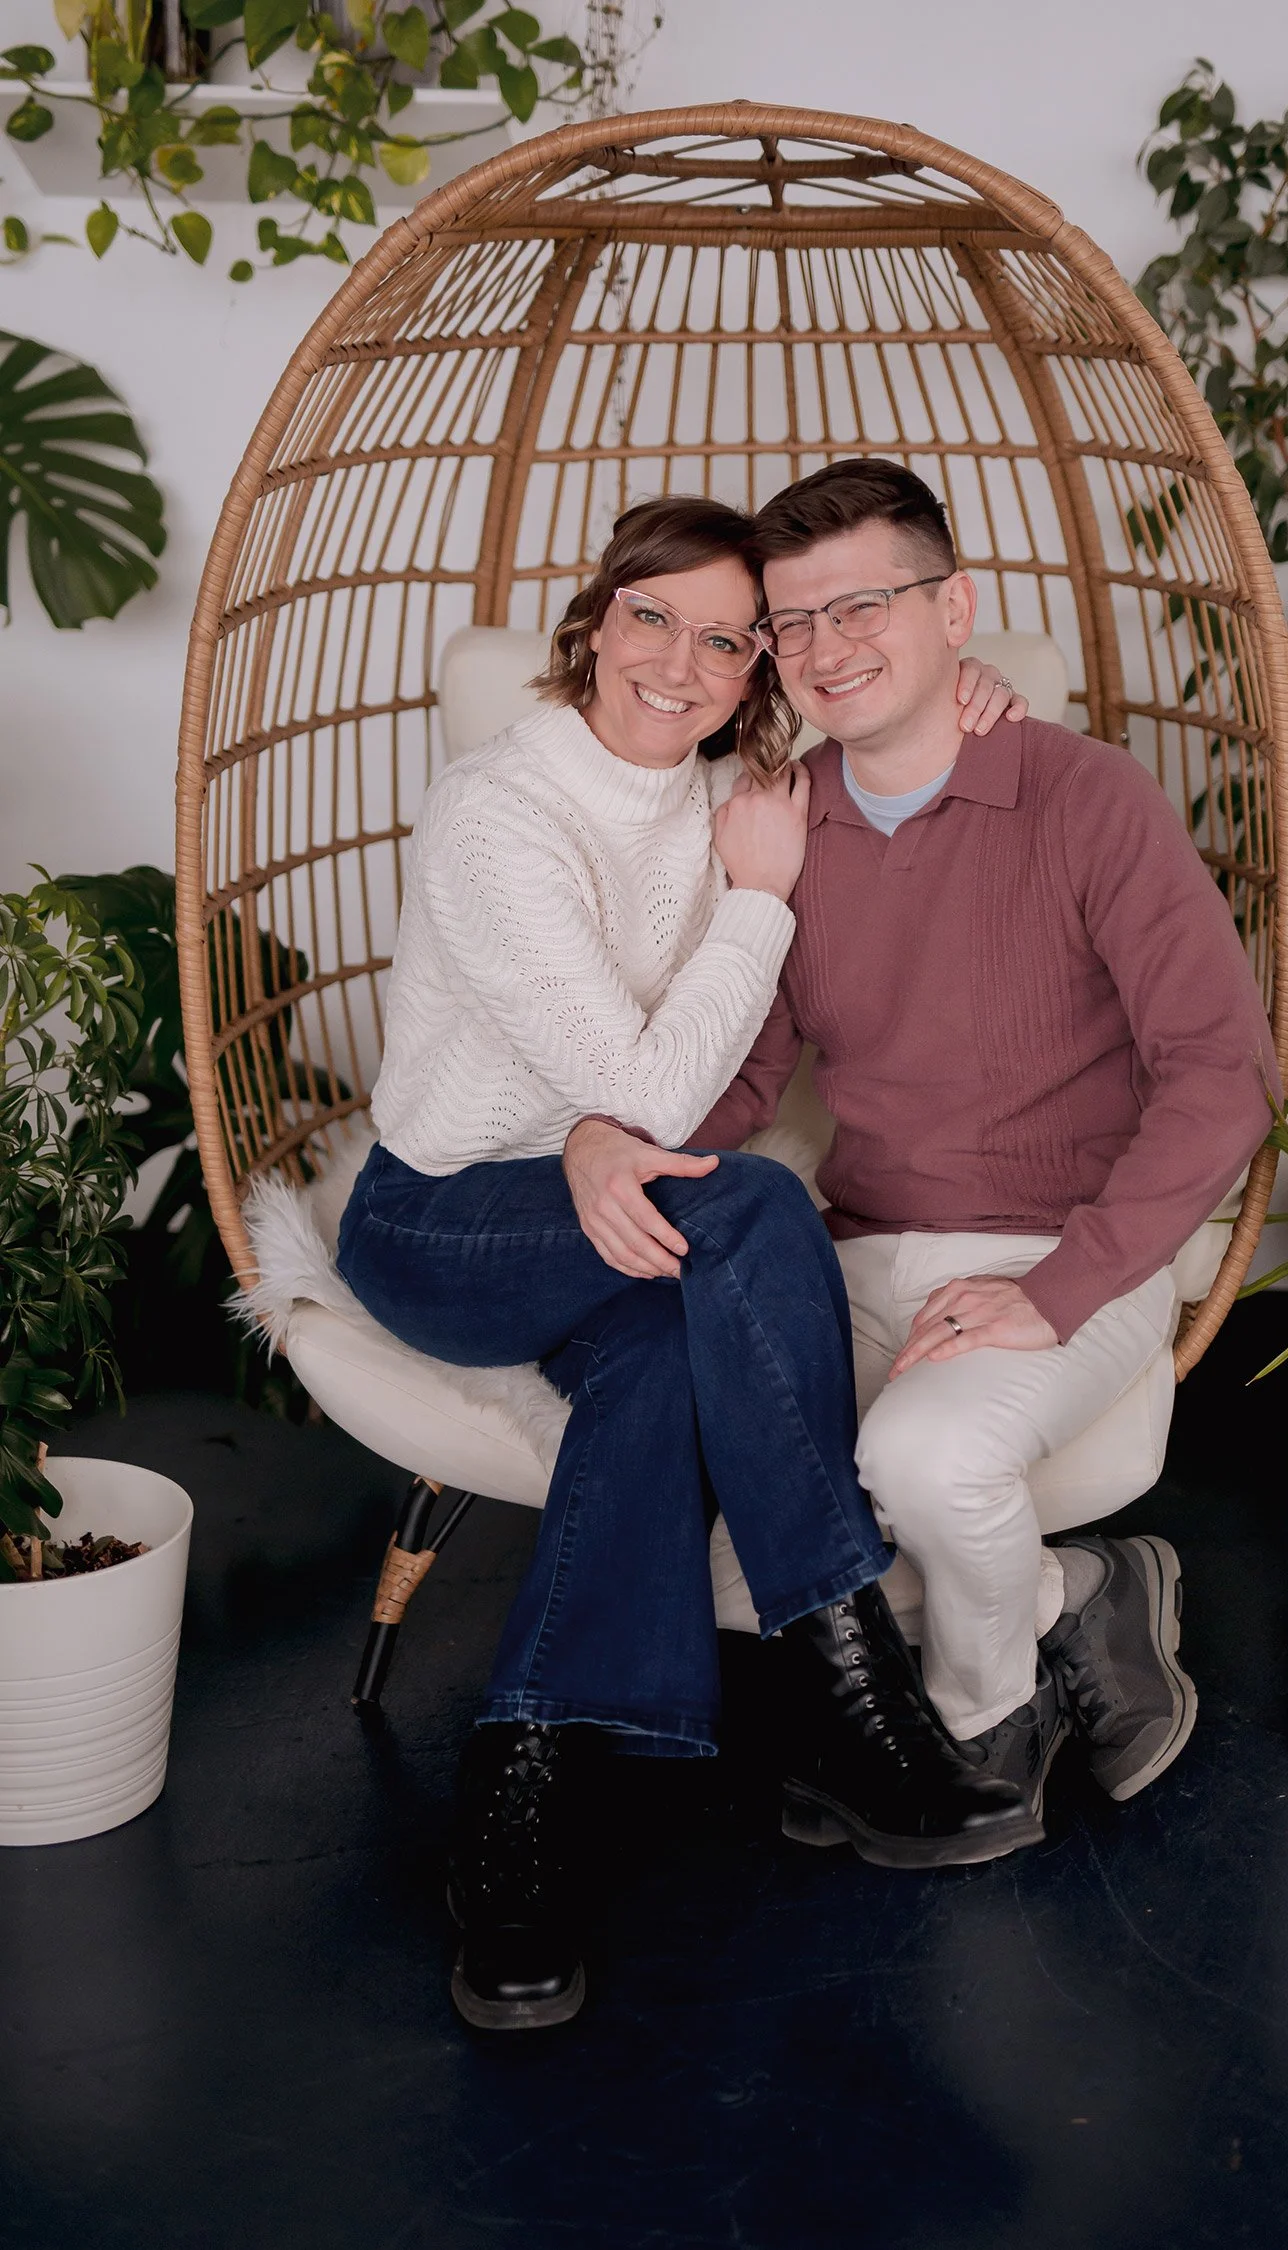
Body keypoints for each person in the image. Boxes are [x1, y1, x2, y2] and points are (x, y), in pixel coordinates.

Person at [336, 492, 1030, 2032]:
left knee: (657, 1364)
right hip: (442, 1220)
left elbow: (902, 772)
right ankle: (845, 1675)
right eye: (654, 616)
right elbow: (645, 1093)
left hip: (620, 1233)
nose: (680, 661)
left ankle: (518, 1791)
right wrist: (756, 906)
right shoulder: (497, 809)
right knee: (760, 1208)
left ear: (756, 671)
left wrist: (966, 692)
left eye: (727, 641)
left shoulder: (741, 794)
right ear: (596, 620)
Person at [564, 460, 1280, 1856]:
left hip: (1064, 1249)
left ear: (955, 611)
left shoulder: (1087, 797)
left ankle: (978, 1727)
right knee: (734, 1564)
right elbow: (747, 1073)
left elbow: (1225, 1074)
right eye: (792, 623)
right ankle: (1081, 1599)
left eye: (863, 607)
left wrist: (1058, 1289)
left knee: (927, 1457)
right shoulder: (786, 827)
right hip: (857, 1251)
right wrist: (612, 1145)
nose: (825, 647)